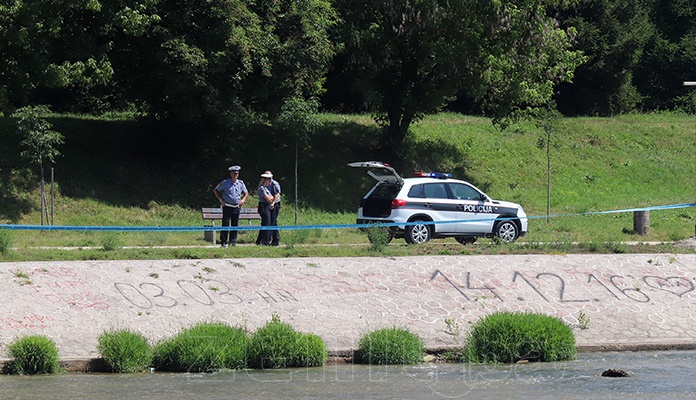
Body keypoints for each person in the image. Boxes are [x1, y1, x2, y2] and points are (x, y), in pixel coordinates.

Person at [213, 165, 249, 247]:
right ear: (230, 174)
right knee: (225, 224)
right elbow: (215, 190)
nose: (235, 175)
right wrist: (220, 200)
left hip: (236, 207)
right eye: (233, 173)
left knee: (235, 225)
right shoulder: (225, 183)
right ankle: (223, 242)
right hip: (227, 206)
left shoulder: (240, 183)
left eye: (236, 173)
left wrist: (243, 200)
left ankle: (233, 242)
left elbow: (246, 193)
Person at [256, 172, 275, 246]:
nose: (270, 182)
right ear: (265, 180)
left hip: (267, 206)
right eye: (268, 180)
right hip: (263, 206)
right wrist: (271, 198)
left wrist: (271, 198)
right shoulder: (262, 189)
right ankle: (266, 241)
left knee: (266, 223)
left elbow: (272, 197)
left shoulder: (266, 189)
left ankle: (260, 240)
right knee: (267, 223)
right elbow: (269, 199)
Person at [266, 170, 281, 246]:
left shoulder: (274, 183)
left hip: (275, 204)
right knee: (272, 222)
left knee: (273, 221)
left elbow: (277, 194)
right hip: (269, 203)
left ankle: (275, 239)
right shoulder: (265, 183)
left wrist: (273, 203)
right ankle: (275, 239)